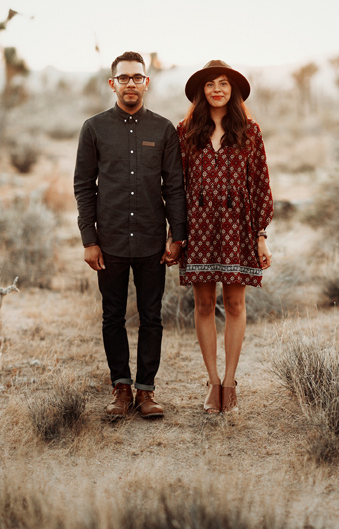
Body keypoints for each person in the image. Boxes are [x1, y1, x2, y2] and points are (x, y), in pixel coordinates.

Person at [74, 51, 187, 419]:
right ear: (113, 84)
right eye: (123, 78)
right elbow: (83, 186)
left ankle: (146, 392)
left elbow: (174, 187)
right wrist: (89, 240)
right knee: (113, 316)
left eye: (137, 77)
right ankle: (120, 389)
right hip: (110, 241)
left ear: (146, 82)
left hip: (153, 240)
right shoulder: (94, 128)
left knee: (152, 317)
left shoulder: (164, 129)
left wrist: (176, 236)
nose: (130, 84)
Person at [176, 59, 273, 414]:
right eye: (210, 84)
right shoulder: (185, 131)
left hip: (238, 229)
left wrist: (260, 235)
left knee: (234, 304)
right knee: (203, 305)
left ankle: (230, 383)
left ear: (233, 91)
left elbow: (260, 184)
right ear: (202, 92)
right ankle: (212, 382)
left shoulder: (249, 131)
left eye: (224, 84)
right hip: (199, 228)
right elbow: (175, 185)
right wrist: (177, 233)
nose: (217, 89)